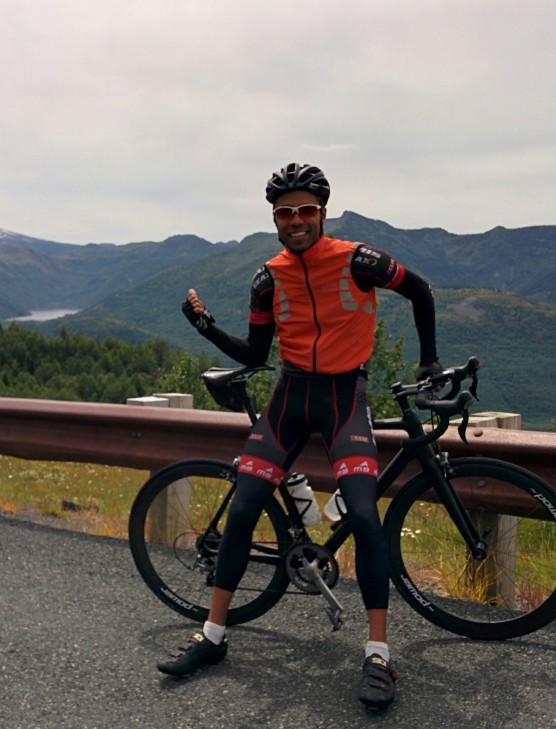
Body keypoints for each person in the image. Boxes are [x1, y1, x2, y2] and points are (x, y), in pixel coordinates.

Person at [157, 163, 441, 710]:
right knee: (242, 512)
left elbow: (421, 291)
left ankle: (378, 653)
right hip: (288, 398)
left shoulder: (358, 259)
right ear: (275, 218)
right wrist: (206, 327)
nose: (295, 220)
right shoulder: (267, 277)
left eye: (305, 210)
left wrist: (429, 362)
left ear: (322, 212)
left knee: (362, 515)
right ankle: (213, 635)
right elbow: (255, 355)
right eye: (285, 212)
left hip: (344, 400)